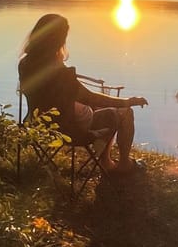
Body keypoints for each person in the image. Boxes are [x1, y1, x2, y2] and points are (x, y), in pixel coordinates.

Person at [18, 13, 148, 174]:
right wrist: (128, 101)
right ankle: (122, 165)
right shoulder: (62, 74)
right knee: (125, 113)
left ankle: (106, 160)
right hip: (68, 131)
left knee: (93, 106)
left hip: (37, 125)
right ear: (59, 40)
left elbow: (59, 96)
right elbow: (91, 97)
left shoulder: (24, 64)